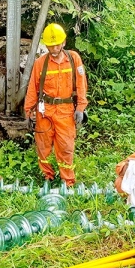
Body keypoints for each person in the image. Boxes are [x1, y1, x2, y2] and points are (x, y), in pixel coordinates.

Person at [24, 23, 88, 186]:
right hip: (45, 110)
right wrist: (28, 111)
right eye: (51, 45)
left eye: (57, 44)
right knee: (43, 146)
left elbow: (81, 84)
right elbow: (33, 87)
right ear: (46, 45)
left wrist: (80, 108)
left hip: (66, 111)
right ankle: (47, 177)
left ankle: (68, 180)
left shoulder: (74, 59)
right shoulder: (41, 63)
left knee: (66, 146)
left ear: (64, 42)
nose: (54, 48)